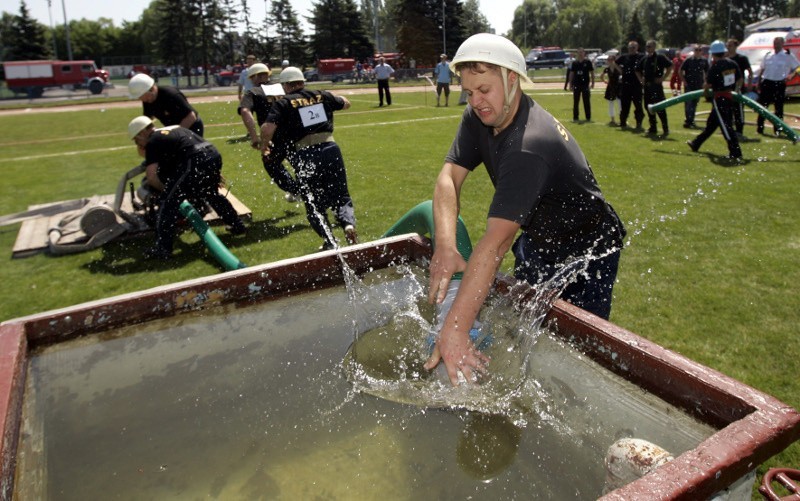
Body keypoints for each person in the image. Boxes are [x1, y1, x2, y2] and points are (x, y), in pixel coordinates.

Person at [423, 33, 626, 386]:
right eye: (469, 92)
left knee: (577, 354)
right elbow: (448, 178)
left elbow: (495, 245)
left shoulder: (528, 144)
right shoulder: (480, 115)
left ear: (511, 78)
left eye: (484, 89)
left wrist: (455, 331)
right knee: (522, 334)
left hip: (588, 251)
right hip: (540, 238)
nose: (476, 101)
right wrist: (445, 244)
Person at [260, 67, 358, 250]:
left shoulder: (284, 103)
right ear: (302, 81)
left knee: (314, 203)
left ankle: (330, 241)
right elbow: (346, 103)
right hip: (331, 149)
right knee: (340, 194)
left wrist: (264, 146)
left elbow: (267, 128)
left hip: (305, 154)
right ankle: (348, 224)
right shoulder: (321, 95)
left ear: (285, 85)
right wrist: (328, 98)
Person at [127, 116, 246, 260]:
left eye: (136, 140)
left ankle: (163, 249)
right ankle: (237, 226)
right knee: (210, 193)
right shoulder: (172, 128)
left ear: (141, 133)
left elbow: (151, 177)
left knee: (168, 203)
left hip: (195, 160)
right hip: (212, 154)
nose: (138, 144)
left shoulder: (153, 141)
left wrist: (168, 192)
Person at [238, 63, 299, 199]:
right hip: (296, 133)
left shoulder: (253, 92)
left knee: (271, 163)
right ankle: (307, 189)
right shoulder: (284, 88)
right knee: (299, 163)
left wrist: (254, 137)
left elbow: (245, 111)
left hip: (273, 136)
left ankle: (295, 190)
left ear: (254, 77)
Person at [686, 40, 743, 161]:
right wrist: (736, 91)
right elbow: (740, 79)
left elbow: (707, 85)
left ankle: (735, 152)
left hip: (719, 98)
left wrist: (705, 93)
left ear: (714, 54)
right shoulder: (732, 63)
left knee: (725, 125)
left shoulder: (715, 66)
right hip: (729, 97)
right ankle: (696, 143)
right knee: (711, 124)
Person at [128, 73, 204, 137]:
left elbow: (191, 116)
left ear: (151, 89)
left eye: (142, 96)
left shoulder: (171, 95)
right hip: (173, 130)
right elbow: (148, 119)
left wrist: (176, 134)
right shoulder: (147, 100)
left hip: (192, 127)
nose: (142, 100)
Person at [755, 36, 800, 135]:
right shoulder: (768, 55)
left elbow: (797, 67)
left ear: (782, 44)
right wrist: (759, 82)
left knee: (778, 108)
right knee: (763, 107)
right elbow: (762, 69)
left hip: (779, 83)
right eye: (775, 43)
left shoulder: (787, 55)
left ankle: (778, 130)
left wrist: (791, 76)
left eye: (778, 43)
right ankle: (760, 128)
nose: (776, 45)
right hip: (767, 82)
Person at [636, 40, 672, 136]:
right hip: (647, 87)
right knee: (648, 107)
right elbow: (637, 70)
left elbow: (670, 66)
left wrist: (663, 78)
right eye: (647, 46)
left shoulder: (660, 57)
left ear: (654, 47)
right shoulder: (644, 59)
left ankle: (665, 128)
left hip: (656, 87)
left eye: (649, 46)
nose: (648, 48)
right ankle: (653, 127)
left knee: (660, 108)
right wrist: (641, 80)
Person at [616, 41, 645, 130]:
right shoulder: (624, 57)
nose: (631, 49)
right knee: (625, 105)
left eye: (633, 47)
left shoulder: (641, 56)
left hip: (636, 85)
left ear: (637, 47)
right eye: (630, 48)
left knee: (638, 105)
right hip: (626, 85)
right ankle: (623, 122)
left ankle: (639, 123)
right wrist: (621, 71)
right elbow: (615, 62)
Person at [726, 38, 752, 136]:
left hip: (738, 88)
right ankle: (728, 129)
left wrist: (749, 84)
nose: (728, 48)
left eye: (730, 45)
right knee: (727, 110)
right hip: (727, 88)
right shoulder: (725, 59)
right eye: (727, 45)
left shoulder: (742, 58)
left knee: (738, 110)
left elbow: (750, 72)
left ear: (735, 46)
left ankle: (739, 130)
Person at [679, 44, 709, 128]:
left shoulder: (704, 60)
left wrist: (706, 82)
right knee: (688, 103)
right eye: (696, 50)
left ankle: (690, 120)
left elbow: (707, 72)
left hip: (699, 85)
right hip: (689, 85)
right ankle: (688, 121)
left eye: (699, 50)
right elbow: (681, 71)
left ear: (701, 51)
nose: (698, 51)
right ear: (694, 51)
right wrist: (684, 81)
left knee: (694, 103)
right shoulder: (689, 60)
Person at [565, 47, 594, 122]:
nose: (580, 54)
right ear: (577, 53)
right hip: (577, 84)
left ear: (584, 53)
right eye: (579, 52)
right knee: (576, 102)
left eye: (582, 52)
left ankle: (588, 117)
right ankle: (575, 117)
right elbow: (571, 74)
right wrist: (570, 84)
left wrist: (593, 82)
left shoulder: (588, 62)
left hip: (585, 85)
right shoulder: (575, 63)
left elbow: (592, 72)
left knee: (586, 101)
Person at [601, 53, 622, 125]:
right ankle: (612, 119)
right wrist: (605, 81)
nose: (609, 61)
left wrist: (616, 66)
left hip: (618, 86)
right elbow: (602, 76)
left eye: (611, 59)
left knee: (620, 103)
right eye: (608, 60)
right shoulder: (607, 69)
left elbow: (622, 72)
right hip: (610, 87)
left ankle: (622, 119)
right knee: (610, 103)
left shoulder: (618, 67)